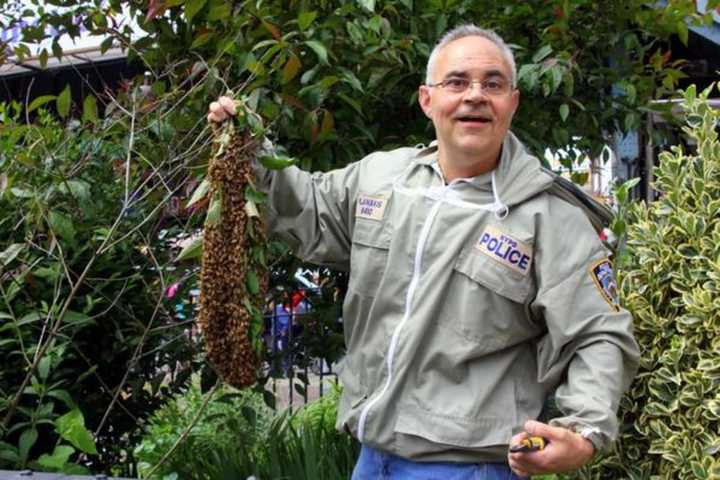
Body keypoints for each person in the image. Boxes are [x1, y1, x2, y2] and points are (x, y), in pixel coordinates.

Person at [208, 24, 639, 479]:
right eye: (456, 82)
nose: (475, 95)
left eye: (493, 84)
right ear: (426, 99)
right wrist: (248, 148)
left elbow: (598, 333)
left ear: (512, 102)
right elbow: (306, 206)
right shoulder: (380, 179)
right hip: (371, 459)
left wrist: (585, 429)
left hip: (469, 468)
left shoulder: (550, 217)